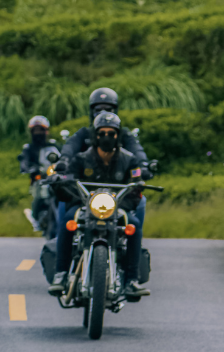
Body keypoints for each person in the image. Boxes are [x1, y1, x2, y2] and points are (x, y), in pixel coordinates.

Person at [48, 112, 150, 299]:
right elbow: (69, 183)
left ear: (118, 135)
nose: (106, 137)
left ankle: (131, 280)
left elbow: (135, 188)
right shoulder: (80, 159)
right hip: (85, 206)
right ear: (95, 135)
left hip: (117, 208)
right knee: (68, 221)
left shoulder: (130, 160)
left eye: (111, 133)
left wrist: (136, 187)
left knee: (133, 225)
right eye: (102, 133)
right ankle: (61, 274)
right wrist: (58, 182)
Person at [55, 87, 151, 236]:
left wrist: (143, 166)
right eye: (98, 109)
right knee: (67, 216)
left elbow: (137, 151)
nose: (103, 113)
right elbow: (70, 147)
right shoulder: (82, 144)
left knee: (135, 217)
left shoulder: (125, 142)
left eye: (108, 109)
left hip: (117, 196)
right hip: (85, 195)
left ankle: (133, 247)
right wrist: (64, 162)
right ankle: (61, 248)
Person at [18, 116, 60, 233]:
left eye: (41, 130)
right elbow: (24, 161)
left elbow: (64, 156)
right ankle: (35, 218)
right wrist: (31, 168)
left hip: (54, 176)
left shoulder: (53, 146)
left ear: (46, 131)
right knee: (38, 195)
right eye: (36, 130)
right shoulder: (29, 148)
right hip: (39, 178)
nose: (38, 133)